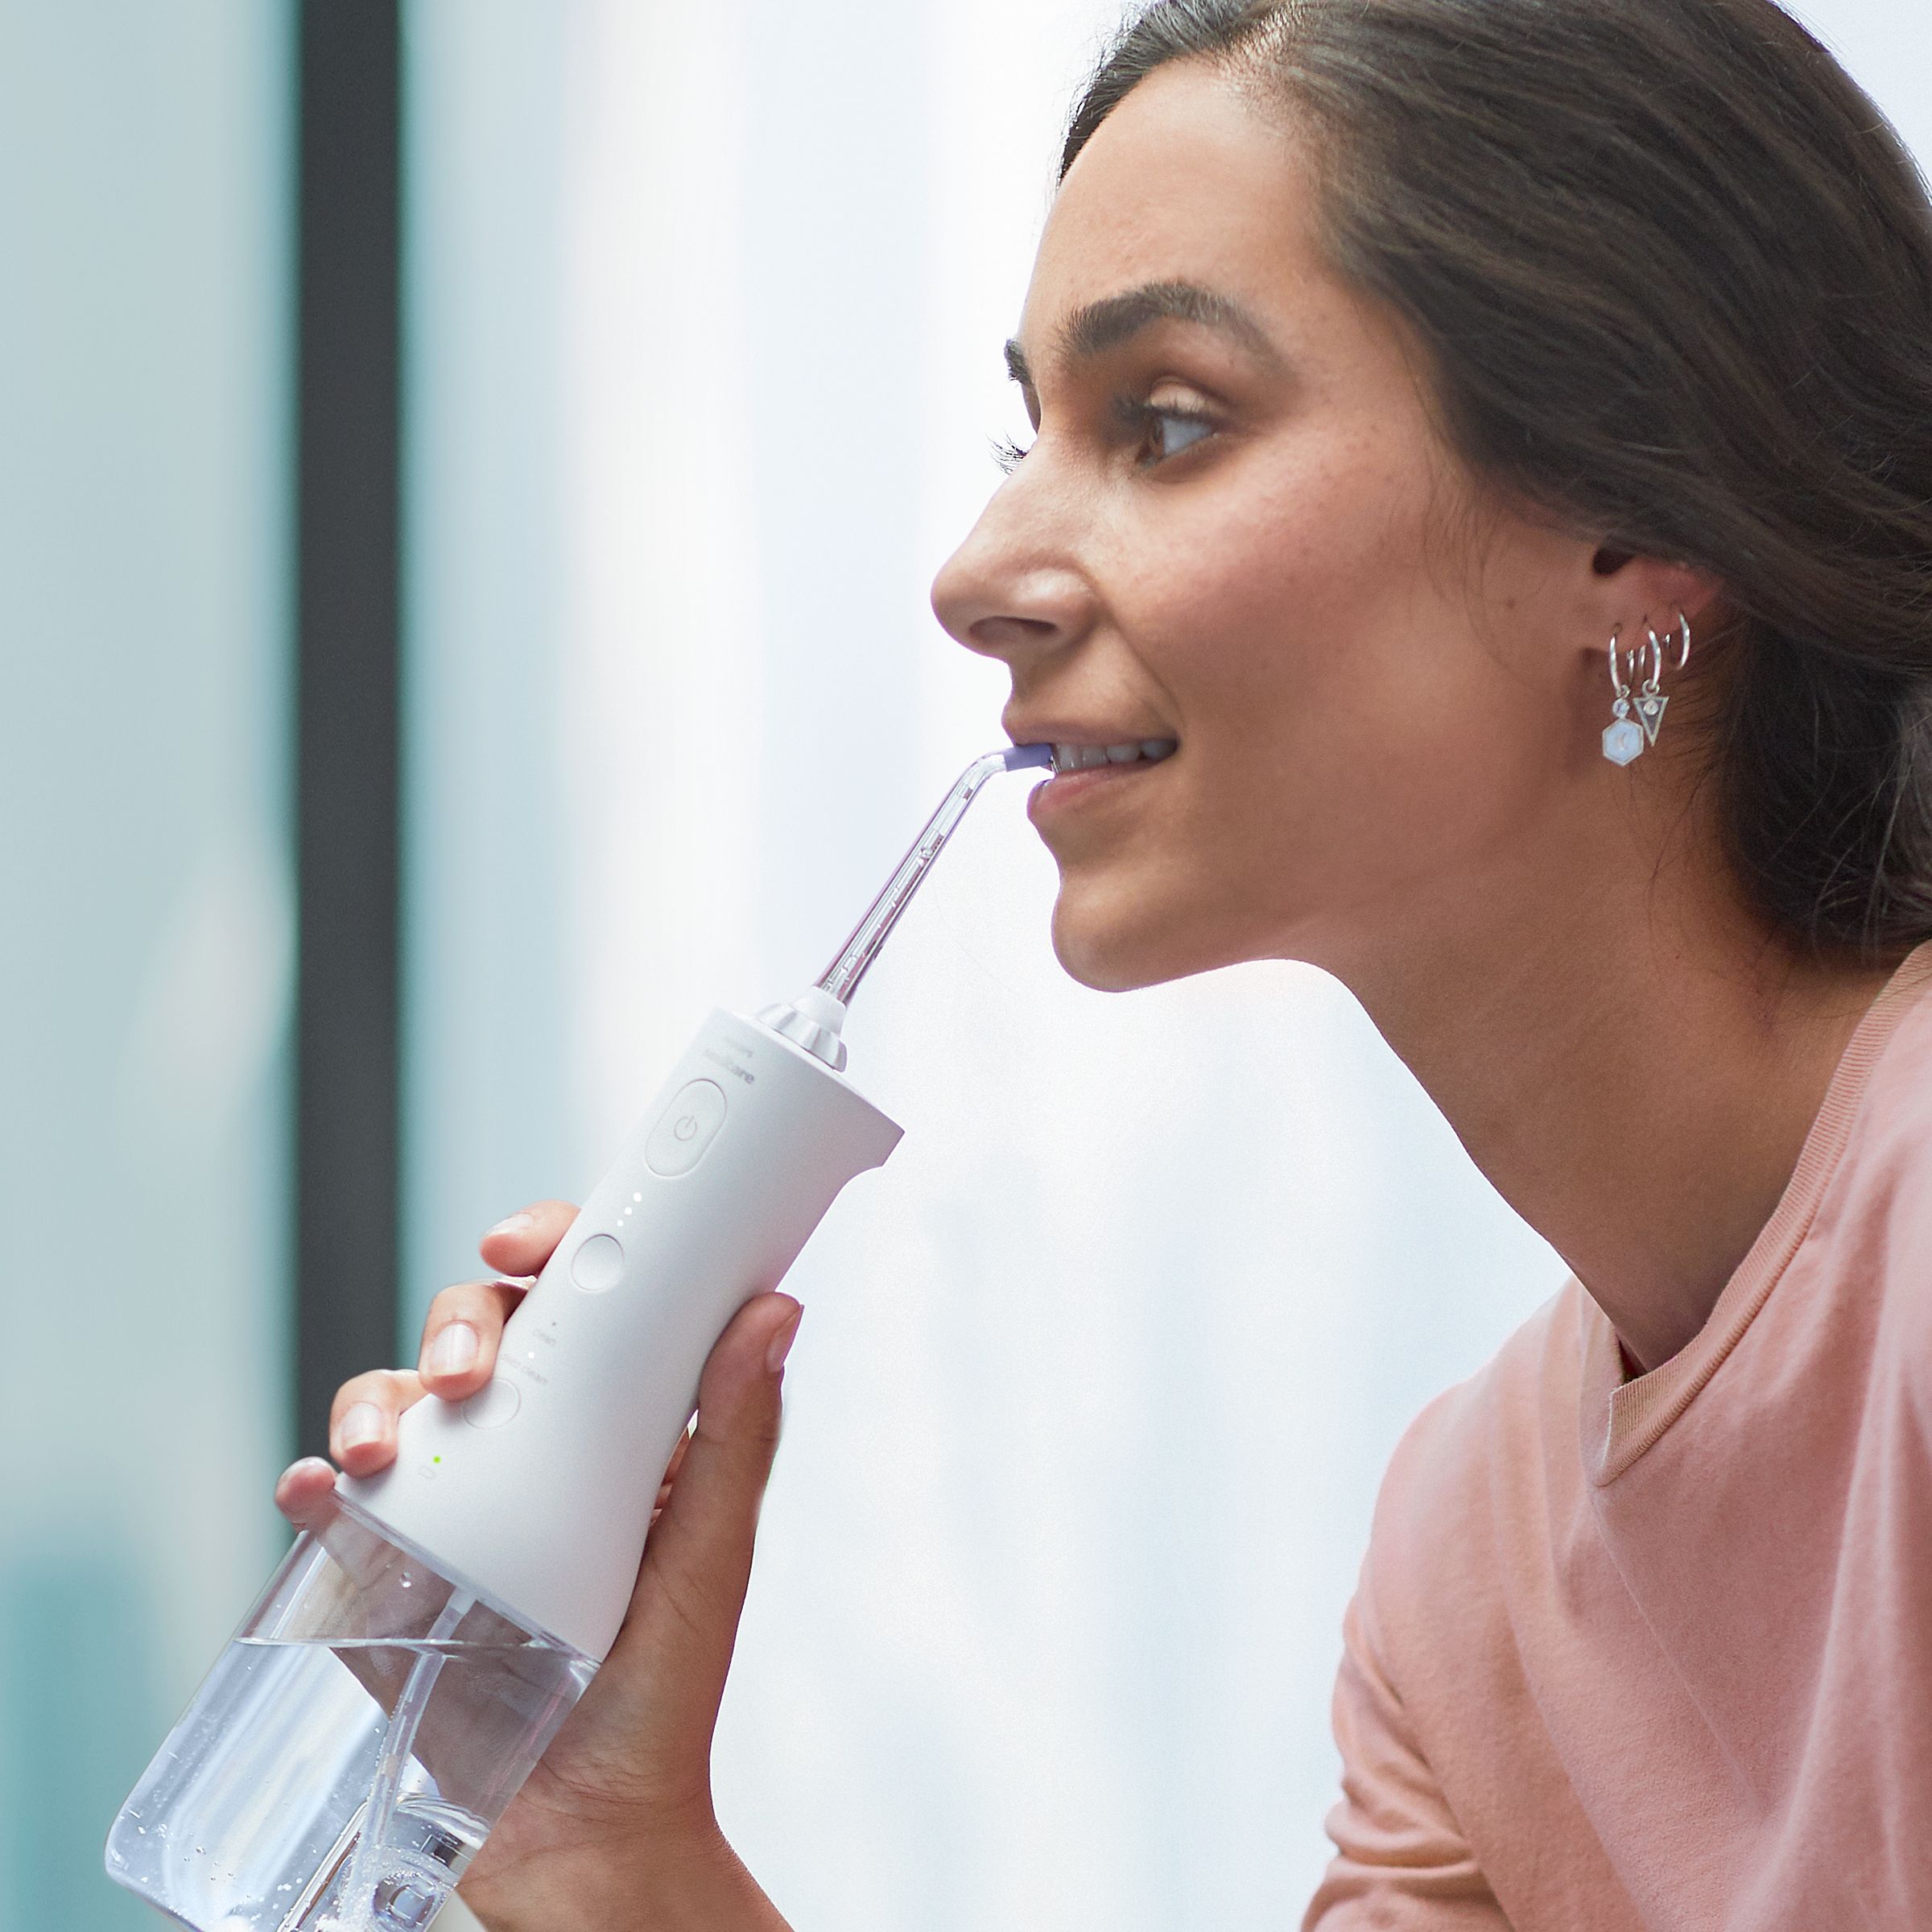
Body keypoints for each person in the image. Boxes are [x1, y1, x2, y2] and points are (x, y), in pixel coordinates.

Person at [280, 0, 1932, 1922]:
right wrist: (608, 1849)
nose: (979, 571)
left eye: (1168, 422)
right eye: (1028, 432)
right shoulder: (1469, 1568)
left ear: (1640, 531)